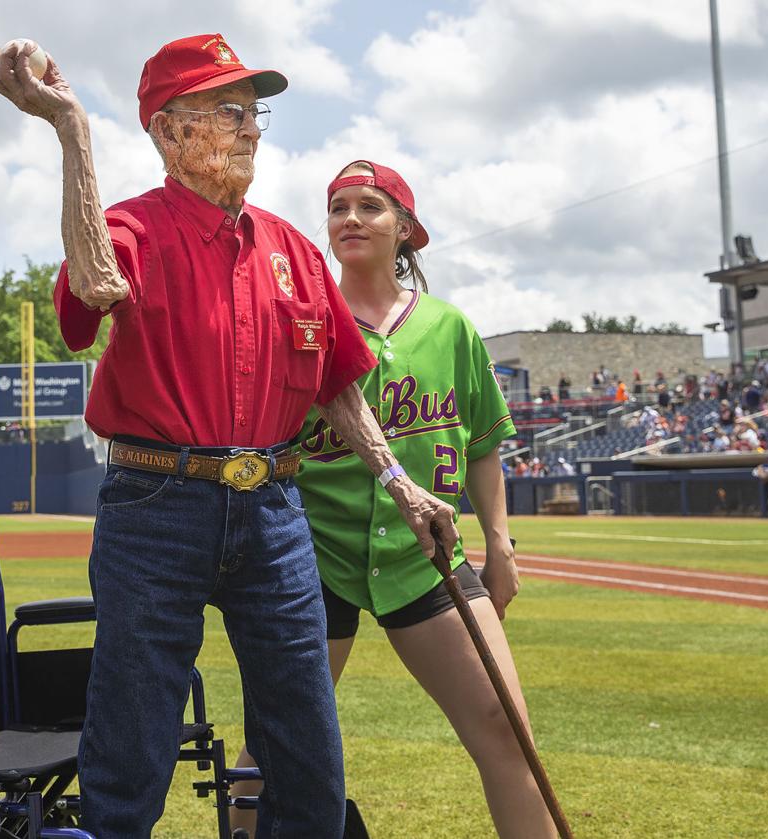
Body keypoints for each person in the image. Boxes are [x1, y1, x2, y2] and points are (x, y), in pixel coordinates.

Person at [0, 36, 459, 838]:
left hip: (274, 506)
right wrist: (72, 131)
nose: (250, 131)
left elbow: (339, 379)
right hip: (156, 502)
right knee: (133, 736)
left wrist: (399, 481)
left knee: (305, 739)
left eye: (254, 113)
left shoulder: (292, 249)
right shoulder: (130, 226)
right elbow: (96, 285)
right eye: (229, 112)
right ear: (170, 133)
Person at [230, 160, 556, 838]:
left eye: (370, 207)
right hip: (311, 558)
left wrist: (501, 545)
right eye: (339, 206)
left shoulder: (449, 327)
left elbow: (485, 443)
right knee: (269, 750)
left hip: (426, 556)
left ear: (405, 230)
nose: (350, 218)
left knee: (506, 726)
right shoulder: (302, 323)